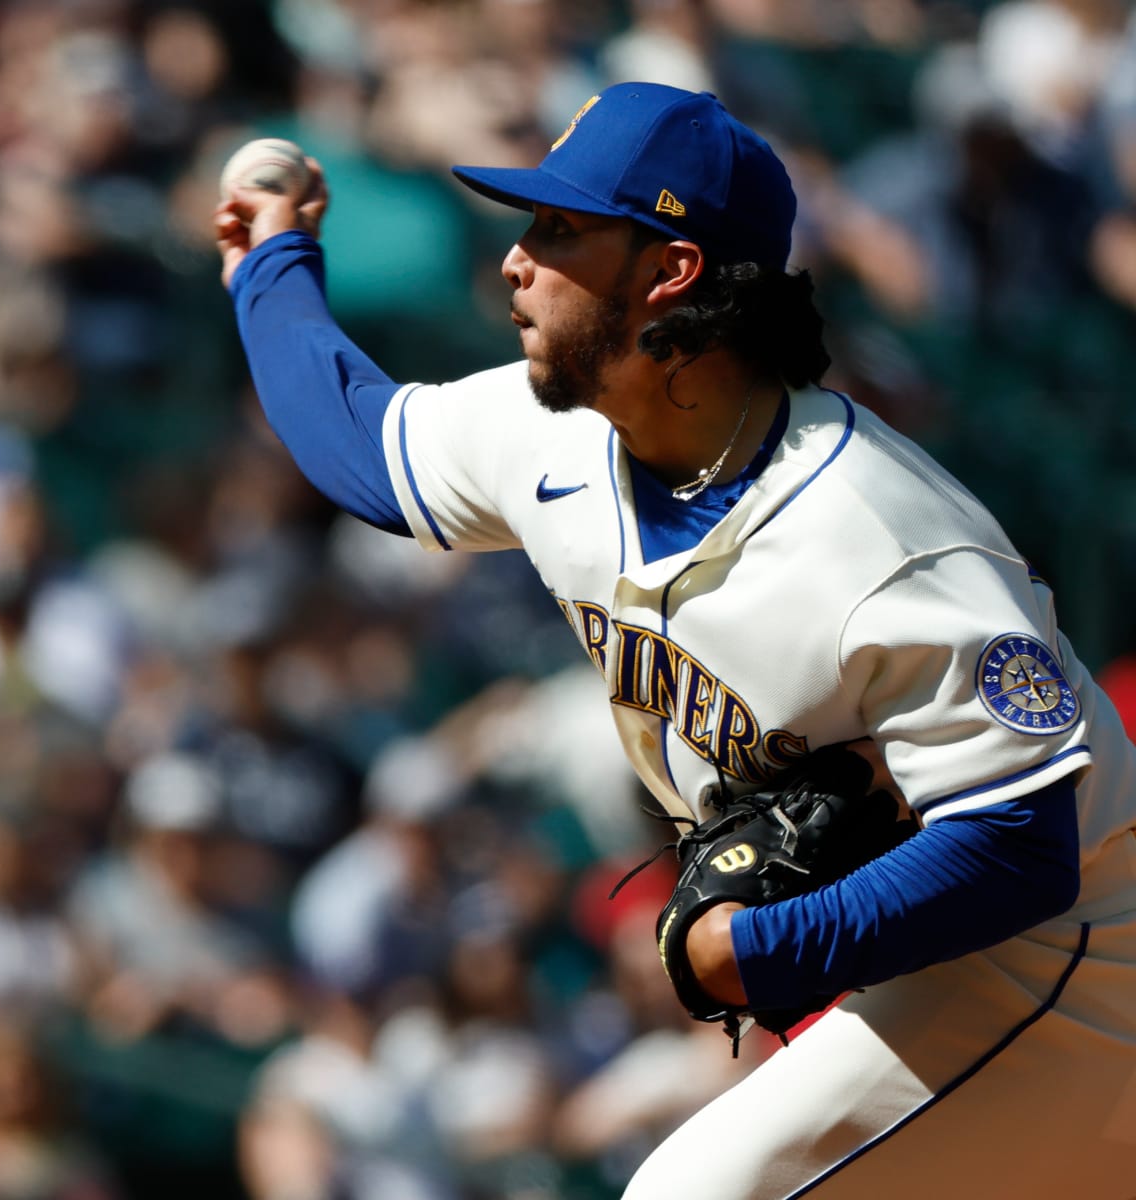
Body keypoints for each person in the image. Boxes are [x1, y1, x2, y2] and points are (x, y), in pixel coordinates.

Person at [214, 82, 1136, 1199]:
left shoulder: (881, 538)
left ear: (669, 273)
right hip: (944, 972)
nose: (515, 260)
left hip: (1074, 965)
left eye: (558, 230)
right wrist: (269, 265)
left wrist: (751, 953)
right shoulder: (549, 432)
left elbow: (1025, 845)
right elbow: (362, 443)